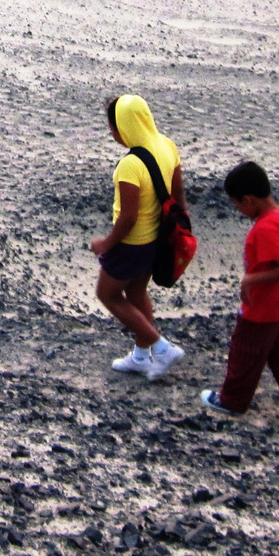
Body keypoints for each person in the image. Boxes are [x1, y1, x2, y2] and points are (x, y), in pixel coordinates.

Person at [201, 162, 279, 418]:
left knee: (245, 352)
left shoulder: (264, 228)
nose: (239, 210)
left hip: (264, 307)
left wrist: (249, 280)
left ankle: (232, 401)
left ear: (248, 199)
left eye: (238, 205)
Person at [93, 96, 186, 379]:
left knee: (107, 294)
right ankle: (141, 356)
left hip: (131, 243)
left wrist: (106, 244)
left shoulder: (130, 165)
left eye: (114, 127)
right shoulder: (167, 145)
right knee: (135, 292)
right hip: (157, 238)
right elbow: (178, 195)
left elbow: (129, 217)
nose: (113, 134)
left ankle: (161, 347)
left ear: (124, 127)